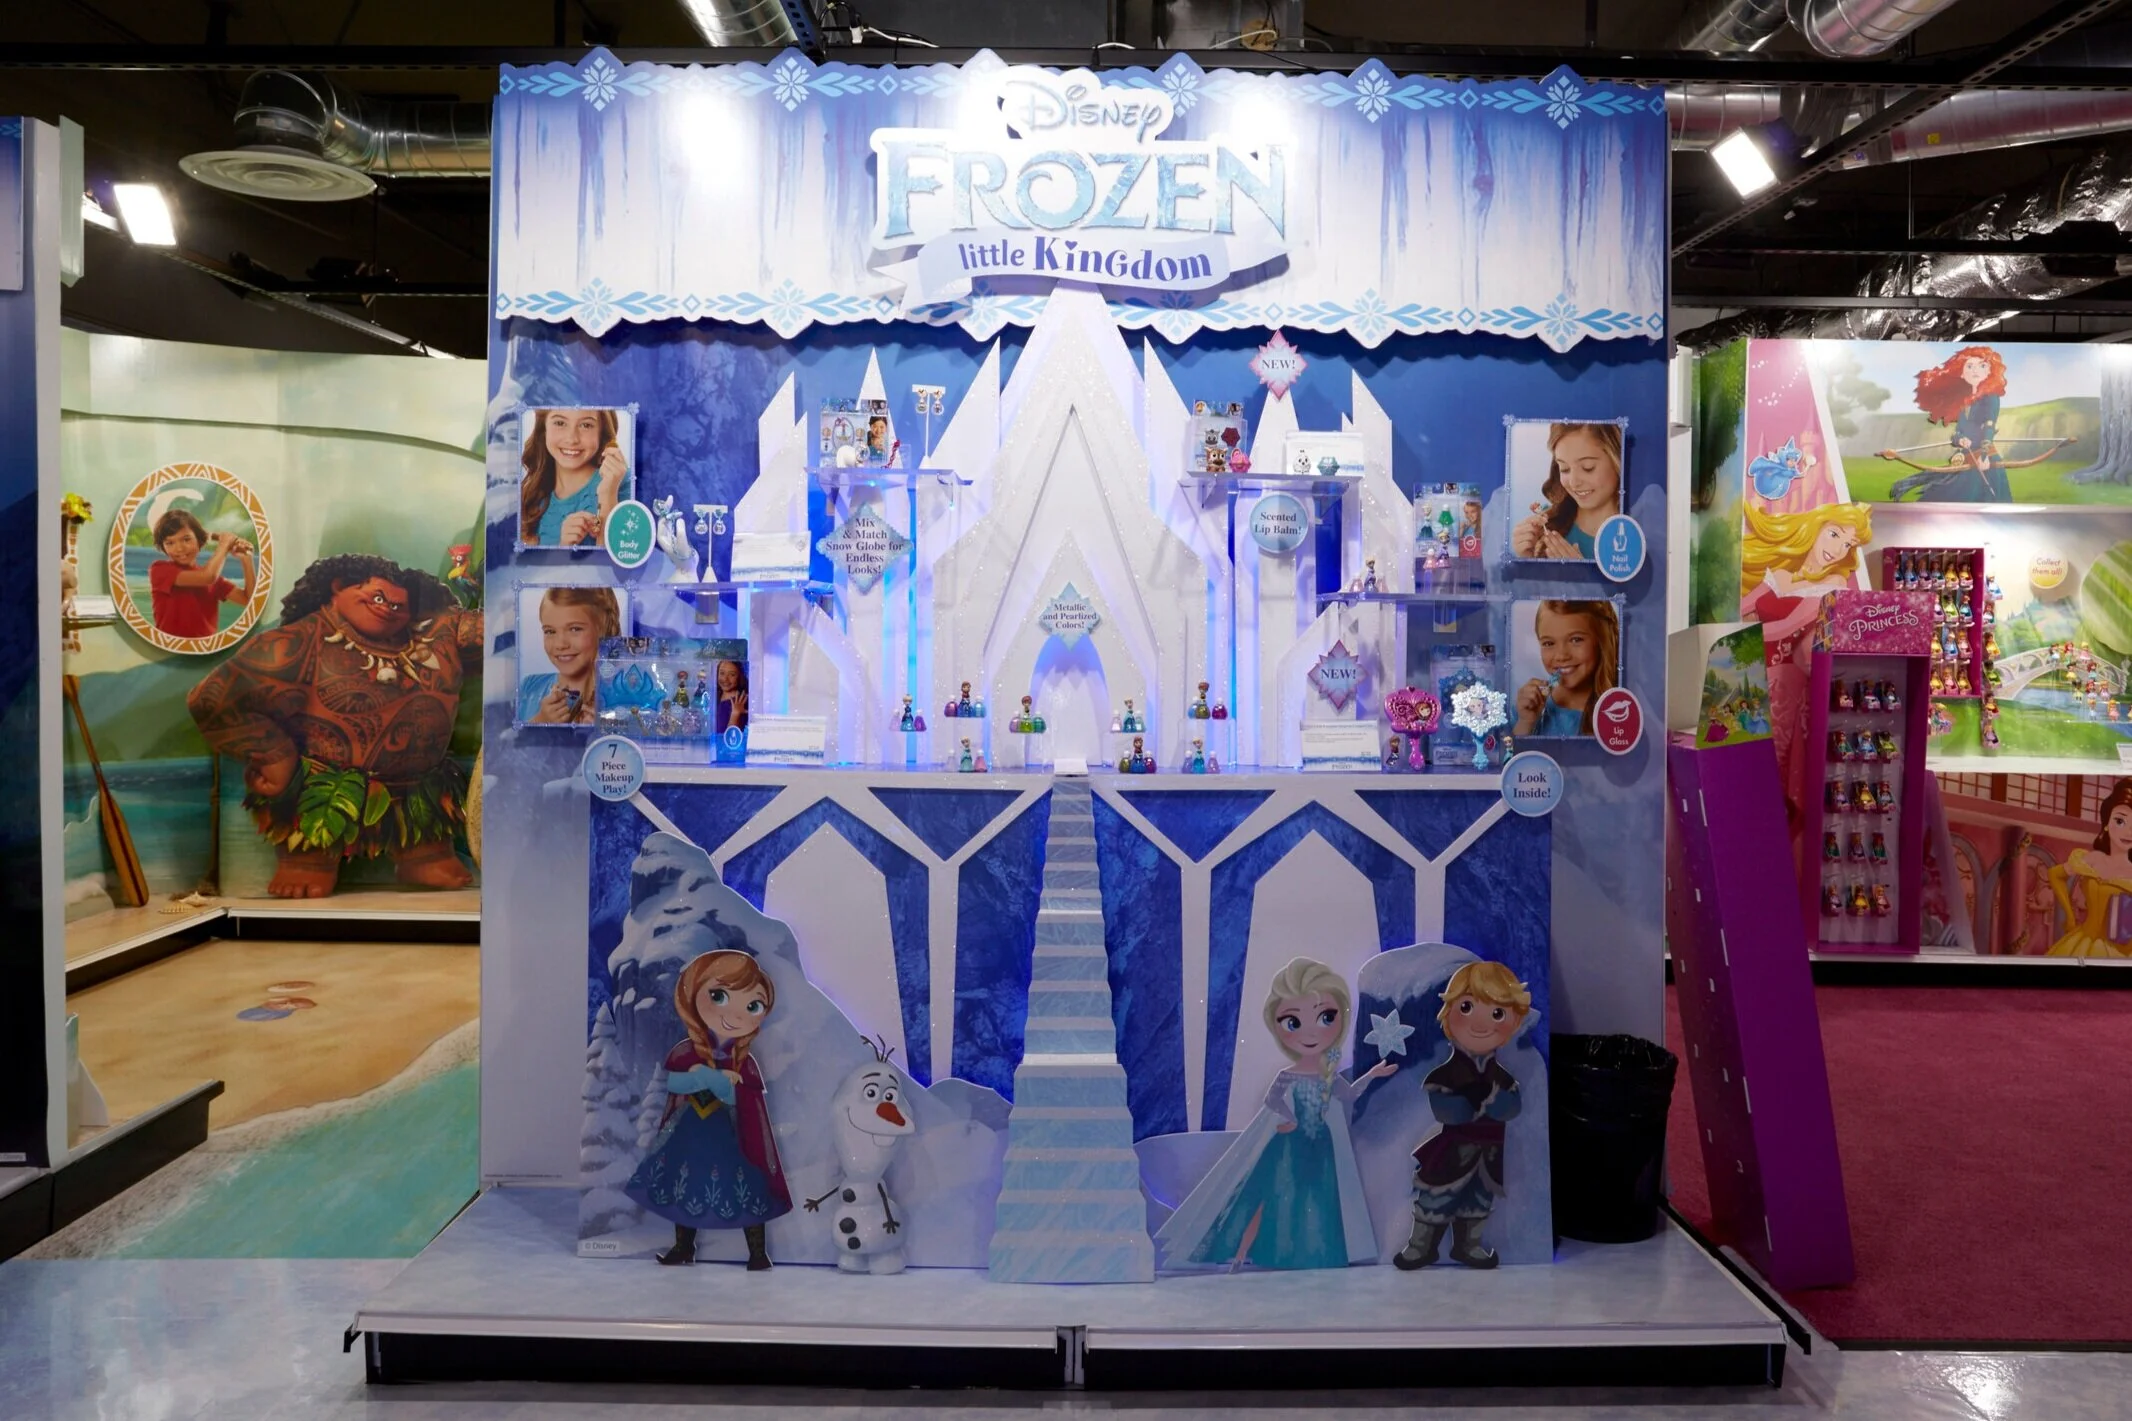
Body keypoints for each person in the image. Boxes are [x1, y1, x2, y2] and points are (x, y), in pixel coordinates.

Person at [1156, 958, 1396, 1272]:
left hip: (1320, 1146)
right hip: (1289, 1143)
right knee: (1268, 1196)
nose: (1310, 1032)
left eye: (1326, 1017)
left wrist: (1372, 1075)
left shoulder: (1329, 1076)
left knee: (1319, 1200)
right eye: (1293, 1022)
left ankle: (1316, 1252)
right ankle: (1242, 1254)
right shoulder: (1287, 1075)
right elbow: (1272, 1101)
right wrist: (1290, 1119)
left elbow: (1349, 1094)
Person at [624, 949, 792, 1269]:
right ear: (691, 998)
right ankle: (683, 1247)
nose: (738, 1016)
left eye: (753, 1006)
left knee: (747, 1191)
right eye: (719, 996)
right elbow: (675, 1084)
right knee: (686, 1189)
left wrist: (718, 1082)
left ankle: (758, 1253)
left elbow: (744, 1100)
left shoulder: (745, 1062)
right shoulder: (686, 1052)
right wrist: (706, 1076)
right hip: (691, 1136)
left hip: (733, 1141)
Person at [1394, 959, 1532, 1271]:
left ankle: (1468, 1245)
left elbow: (1512, 1108)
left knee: (1479, 1202)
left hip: (1489, 1155)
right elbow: (1449, 1113)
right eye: (1467, 1008)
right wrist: (1473, 1099)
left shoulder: (1503, 1078)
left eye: (1497, 1013)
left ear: (1514, 1021)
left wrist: (1490, 1099)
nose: (1481, 1024)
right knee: (1435, 1199)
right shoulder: (1445, 1075)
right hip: (1450, 1156)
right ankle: (1421, 1247)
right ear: (1448, 1014)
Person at [1739, 503, 1873, 820]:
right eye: (1834, 534)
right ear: (1815, 526)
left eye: (1847, 544)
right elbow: (1738, 610)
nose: (1837, 550)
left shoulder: (1835, 587)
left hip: (1787, 692)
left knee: (1775, 778)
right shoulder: (1780, 576)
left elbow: (1786, 631)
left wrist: (1742, 635)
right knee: (1742, 776)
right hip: (1751, 684)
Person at [1511, 423, 1622, 560]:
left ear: (1617, 460)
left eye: (1588, 468)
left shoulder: (1637, 531)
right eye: (1564, 469)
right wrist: (1529, 560)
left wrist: (1581, 572)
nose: (1573, 482)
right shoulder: (1546, 527)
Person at [2048, 780, 2132, 958]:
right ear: (2107, 823)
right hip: (2083, 942)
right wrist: (2069, 916)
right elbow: (2055, 875)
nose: (2128, 831)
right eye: (2120, 821)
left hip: (2122, 950)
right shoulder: (2093, 859)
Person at [521, 407, 628, 546]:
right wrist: (564, 548)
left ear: (601, 431)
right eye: (560, 423)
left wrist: (608, 496)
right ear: (544, 428)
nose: (572, 439)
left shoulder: (620, 481)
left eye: (586, 425)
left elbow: (620, 555)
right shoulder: (531, 497)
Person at [1512, 600, 1618, 737]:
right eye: (1549, 643)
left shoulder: (1619, 709)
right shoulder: (1525, 709)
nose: (1561, 656)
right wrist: (1526, 723)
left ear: (1601, 641)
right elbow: (1507, 749)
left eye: (1576, 640)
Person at [519, 587, 620, 725]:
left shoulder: (621, 697)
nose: (560, 645)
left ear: (602, 630)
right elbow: (503, 737)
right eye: (550, 631)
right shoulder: (530, 687)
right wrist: (539, 721)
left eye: (575, 629)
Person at [147, 508, 253, 638]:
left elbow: (250, 600)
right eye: (170, 543)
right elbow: (207, 577)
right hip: (169, 647)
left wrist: (246, 560)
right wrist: (224, 545)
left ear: (199, 540)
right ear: (163, 546)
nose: (179, 548)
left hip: (206, 648)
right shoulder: (160, 569)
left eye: (186, 539)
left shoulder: (215, 581)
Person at [714, 658, 749, 735]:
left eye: (732, 675)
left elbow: (731, 737)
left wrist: (735, 714)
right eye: (722, 673)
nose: (725, 679)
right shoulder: (715, 695)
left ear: (739, 676)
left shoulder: (740, 701)